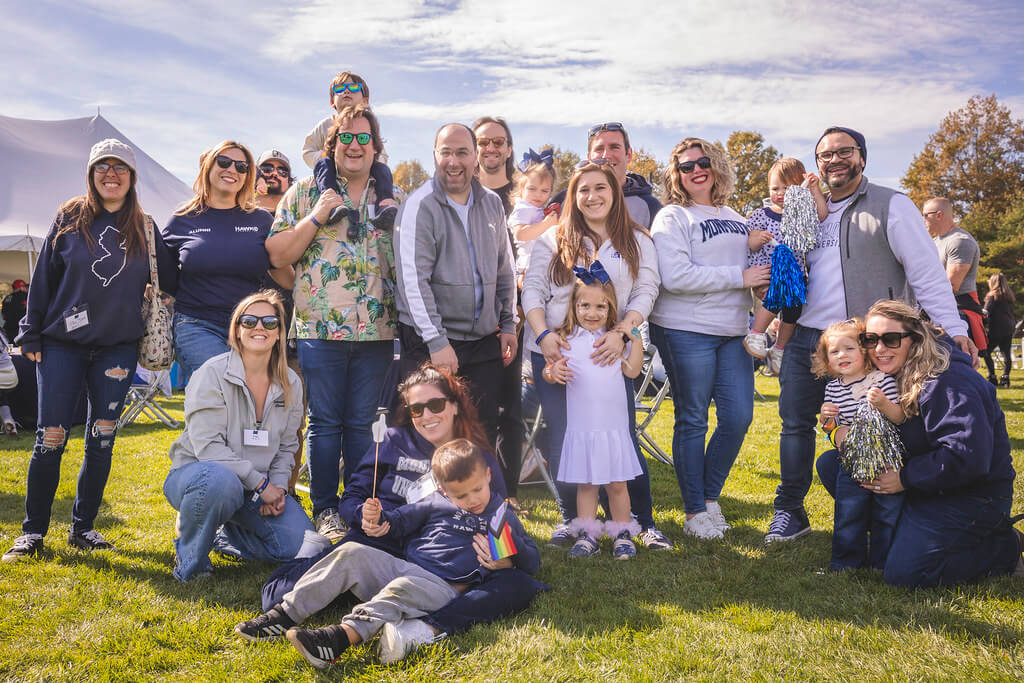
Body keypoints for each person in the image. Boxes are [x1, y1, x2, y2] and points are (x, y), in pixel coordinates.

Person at [766, 126, 974, 544]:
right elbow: (792, 269)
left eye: (845, 152)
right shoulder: (805, 207)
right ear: (817, 164)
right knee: (796, 424)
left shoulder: (891, 205)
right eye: (826, 155)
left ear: (862, 157)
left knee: (888, 422)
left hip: (871, 340)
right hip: (811, 338)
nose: (835, 160)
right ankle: (790, 511)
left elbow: (926, 273)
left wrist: (954, 328)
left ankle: (891, 513)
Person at [259, 364, 547, 661]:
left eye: (435, 405)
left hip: (438, 565)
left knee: (512, 583)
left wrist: (506, 558)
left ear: (454, 405)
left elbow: (497, 519)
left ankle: (373, 629)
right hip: (382, 541)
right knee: (276, 595)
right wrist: (367, 517)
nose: (427, 416)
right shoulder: (394, 440)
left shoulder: (477, 459)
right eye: (416, 409)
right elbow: (355, 495)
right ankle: (317, 570)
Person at [3, 139, 177, 562]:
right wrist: (31, 334)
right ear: (91, 173)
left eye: (120, 167)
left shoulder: (146, 227)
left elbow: (174, 276)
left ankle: (83, 528)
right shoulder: (70, 216)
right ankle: (33, 533)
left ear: (132, 177)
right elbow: (43, 277)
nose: (111, 174)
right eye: (103, 166)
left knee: (102, 438)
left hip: (116, 348)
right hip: (62, 345)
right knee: (50, 438)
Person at [235, 438, 541, 670]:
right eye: (460, 495)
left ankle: (338, 638)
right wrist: (380, 517)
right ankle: (283, 615)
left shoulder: (502, 515)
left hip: (444, 587)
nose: (472, 500)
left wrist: (507, 561)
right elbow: (402, 520)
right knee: (353, 552)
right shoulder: (436, 503)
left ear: (488, 476)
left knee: (401, 589)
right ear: (445, 491)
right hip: (405, 565)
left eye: (477, 490)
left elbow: (532, 560)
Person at [816, 300, 1022, 587]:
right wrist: (832, 429)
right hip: (927, 483)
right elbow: (863, 426)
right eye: (870, 339)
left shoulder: (948, 381)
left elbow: (967, 456)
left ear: (915, 338)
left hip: (970, 495)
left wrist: (903, 478)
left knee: (904, 575)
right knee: (831, 464)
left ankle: (1005, 548)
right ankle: (894, 535)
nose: (879, 349)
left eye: (890, 339)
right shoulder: (887, 376)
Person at [522, 160, 671, 551]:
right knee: (565, 440)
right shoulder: (552, 240)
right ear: (573, 196)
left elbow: (646, 291)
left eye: (600, 188)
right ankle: (574, 522)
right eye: (583, 190)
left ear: (614, 192)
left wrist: (624, 332)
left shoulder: (637, 240)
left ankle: (639, 521)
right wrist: (544, 338)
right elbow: (533, 293)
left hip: (609, 354)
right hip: (559, 352)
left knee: (621, 437)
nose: (592, 196)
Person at [265, 104, 398, 541]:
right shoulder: (305, 192)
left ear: (376, 147)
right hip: (321, 328)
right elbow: (277, 255)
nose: (355, 145)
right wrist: (319, 215)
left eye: (364, 138)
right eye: (347, 137)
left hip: (377, 330)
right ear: (333, 144)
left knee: (362, 423)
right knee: (325, 424)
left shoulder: (393, 198)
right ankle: (325, 510)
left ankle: (356, 505)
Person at [648, 137, 771, 540]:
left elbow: (744, 262)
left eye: (702, 162)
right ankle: (694, 510)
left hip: (734, 330)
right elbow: (675, 277)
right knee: (693, 418)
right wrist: (740, 277)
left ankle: (710, 496)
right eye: (686, 166)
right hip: (685, 329)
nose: (696, 170)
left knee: (739, 416)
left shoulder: (734, 214)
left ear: (715, 166)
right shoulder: (672, 216)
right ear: (676, 175)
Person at [163, 290, 327, 581]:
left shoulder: (291, 382)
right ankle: (192, 562)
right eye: (249, 321)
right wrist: (261, 483)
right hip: (200, 477)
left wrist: (276, 489)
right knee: (219, 482)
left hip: (256, 490)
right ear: (237, 331)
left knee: (304, 548)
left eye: (269, 322)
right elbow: (209, 449)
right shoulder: (210, 374)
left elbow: (288, 446)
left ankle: (221, 535)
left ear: (279, 333)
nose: (259, 328)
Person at [395, 123, 517, 442]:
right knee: (430, 435)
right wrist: (437, 340)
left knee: (482, 432)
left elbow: (505, 267)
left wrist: (508, 324)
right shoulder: (418, 206)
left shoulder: (491, 203)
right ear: (434, 156)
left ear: (475, 157)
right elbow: (412, 281)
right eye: (445, 152)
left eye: (462, 152)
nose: (453, 161)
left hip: (483, 341)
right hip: (430, 341)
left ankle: (482, 494)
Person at [163, 140, 286, 385]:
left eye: (241, 167)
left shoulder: (261, 220)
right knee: (222, 387)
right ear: (208, 167)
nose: (232, 170)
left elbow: (282, 270)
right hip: (196, 324)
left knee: (246, 400)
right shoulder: (182, 219)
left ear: (247, 176)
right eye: (224, 162)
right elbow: (161, 274)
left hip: (250, 328)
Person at [544, 272, 645, 559]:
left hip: (612, 428)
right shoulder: (565, 339)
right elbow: (548, 371)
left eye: (601, 306)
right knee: (586, 484)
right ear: (573, 307)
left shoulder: (614, 340)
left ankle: (622, 533)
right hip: (583, 428)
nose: (592, 313)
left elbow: (632, 371)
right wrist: (553, 372)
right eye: (584, 306)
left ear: (611, 309)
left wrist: (633, 339)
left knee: (617, 484)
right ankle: (588, 535)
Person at [812, 318, 904, 572]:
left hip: (887, 460)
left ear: (864, 351)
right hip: (851, 461)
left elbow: (899, 417)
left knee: (887, 512)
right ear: (827, 360)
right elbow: (830, 428)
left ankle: (882, 562)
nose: (842, 355)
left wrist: (884, 404)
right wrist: (826, 419)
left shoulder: (881, 380)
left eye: (849, 348)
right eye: (834, 351)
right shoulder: (833, 389)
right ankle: (845, 562)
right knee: (848, 509)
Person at [742, 158, 827, 375]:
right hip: (771, 270)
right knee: (777, 297)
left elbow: (822, 214)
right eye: (774, 188)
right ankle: (756, 333)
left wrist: (815, 189)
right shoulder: (761, 214)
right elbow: (748, 244)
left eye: (787, 188)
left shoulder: (799, 213)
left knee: (793, 312)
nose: (780, 193)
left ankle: (778, 349)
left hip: (796, 272)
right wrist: (757, 239)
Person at [301, 70, 397, 229]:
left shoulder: (368, 125)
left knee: (383, 170)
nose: (346, 91)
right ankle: (331, 201)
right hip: (333, 169)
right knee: (324, 164)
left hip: (366, 169)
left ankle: (384, 204)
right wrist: (327, 155)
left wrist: (371, 163)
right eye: (339, 89)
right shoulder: (326, 125)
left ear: (365, 100)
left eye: (353, 87)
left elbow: (381, 152)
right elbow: (307, 150)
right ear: (332, 102)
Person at [549, 122, 662, 228]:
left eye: (614, 147)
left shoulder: (650, 207)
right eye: (599, 149)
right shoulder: (563, 201)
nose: (606, 155)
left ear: (629, 155)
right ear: (589, 157)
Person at [923, 197, 987, 354]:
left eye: (925, 215)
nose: (922, 219)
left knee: (955, 366)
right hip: (936, 309)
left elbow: (951, 285)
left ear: (939, 215)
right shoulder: (934, 242)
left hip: (958, 312)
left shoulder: (960, 241)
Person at [509, 149, 559, 284]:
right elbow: (520, 234)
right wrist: (546, 224)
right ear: (521, 188)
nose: (538, 195)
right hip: (529, 264)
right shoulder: (523, 208)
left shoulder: (538, 209)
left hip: (544, 262)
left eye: (544, 191)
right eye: (532, 189)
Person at [472, 116, 516, 214]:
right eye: (483, 142)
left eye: (498, 142)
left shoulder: (525, 194)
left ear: (509, 150)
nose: (491, 148)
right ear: (474, 151)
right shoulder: (461, 196)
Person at [982, 273, 1017, 387]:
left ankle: (992, 376)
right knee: (1006, 353)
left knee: (986, 352)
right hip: (1009, 327)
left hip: (996, 328)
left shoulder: (992, 296)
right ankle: (1005, 378)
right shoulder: (1009, 296)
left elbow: (986, 312)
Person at [254, 149, 293, 213]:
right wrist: (260, 181)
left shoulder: (299, 214)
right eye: (267, 168)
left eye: (282, 171)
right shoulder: (238, 207)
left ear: (289, 181)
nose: (275, 173)